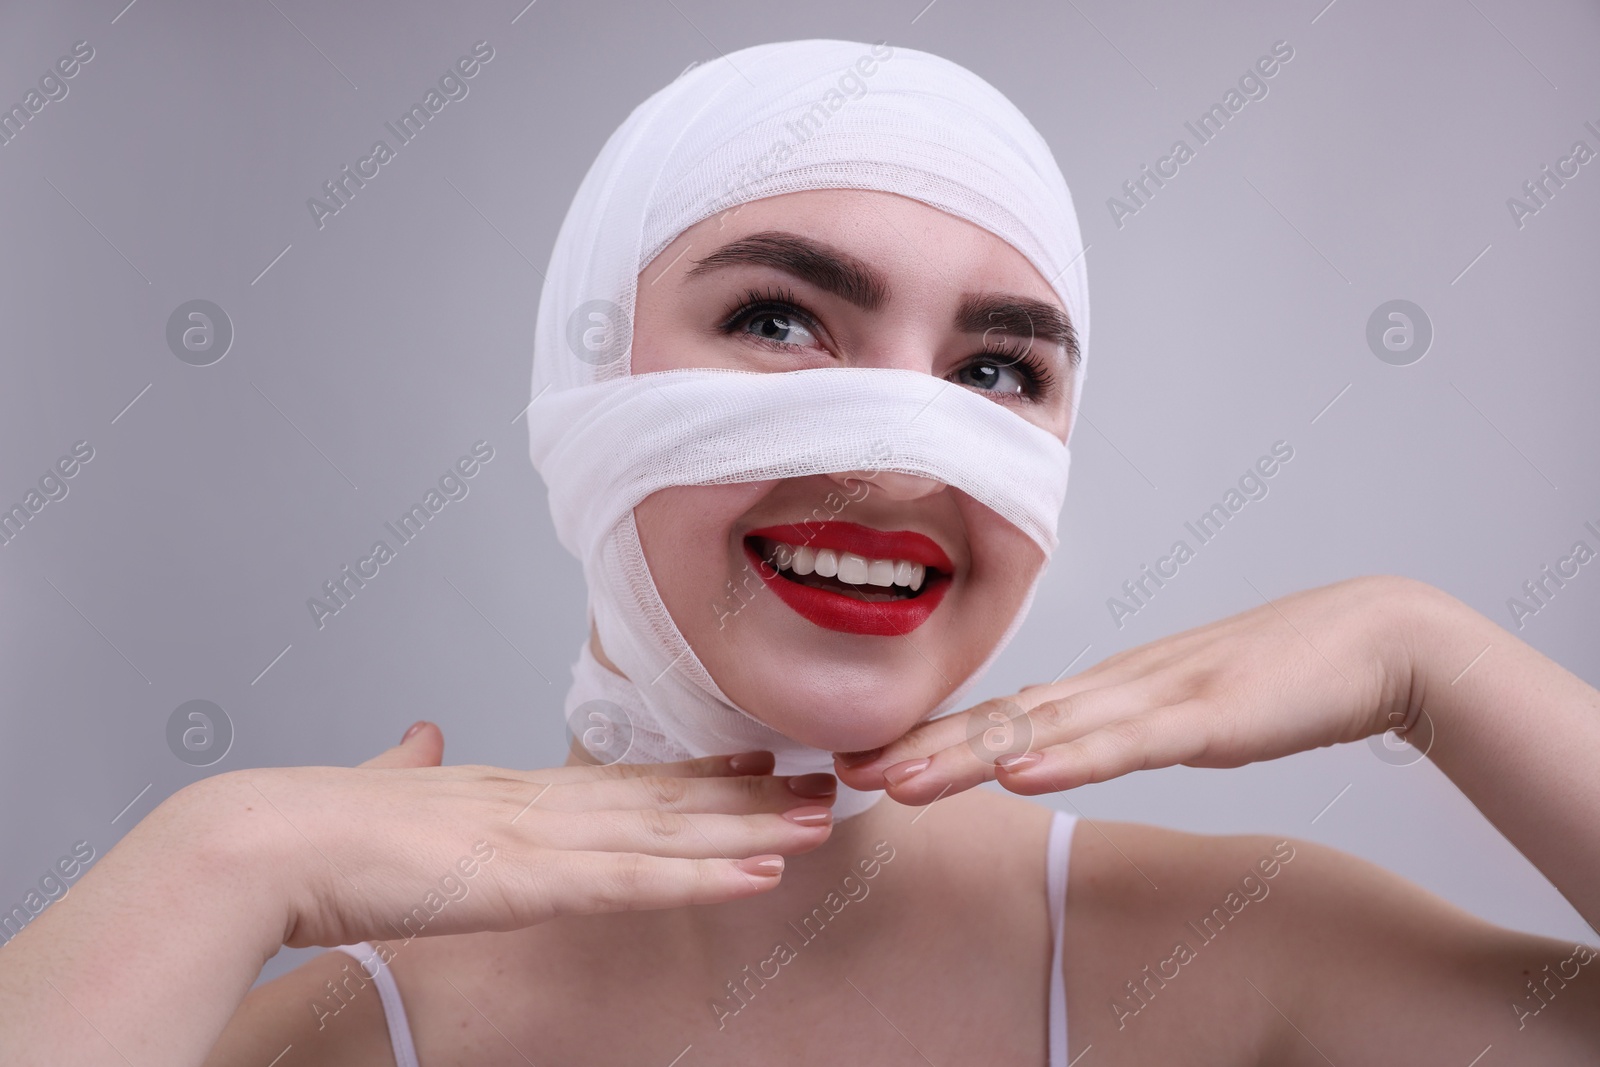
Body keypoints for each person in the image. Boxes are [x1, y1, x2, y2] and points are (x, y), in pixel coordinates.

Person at [3, 38, 1598, 1067]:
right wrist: (218, 856)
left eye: (995, 373)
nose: (900, 450)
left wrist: (1431, 657)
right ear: (585, 380)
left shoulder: (1233, 959)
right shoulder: (326, 1039)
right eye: (779, 320)